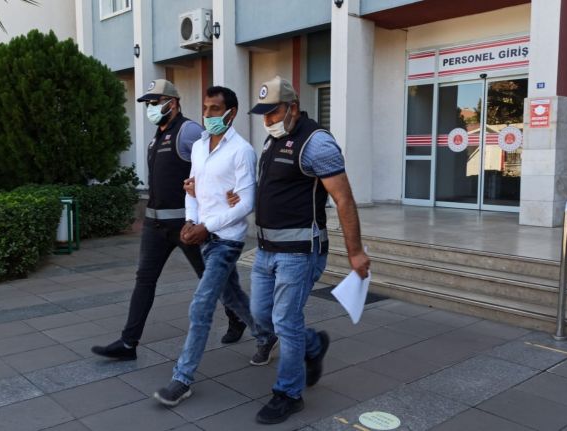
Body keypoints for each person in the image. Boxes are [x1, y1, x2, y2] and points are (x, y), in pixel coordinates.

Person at [90, 79, 246, 361]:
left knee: (211, 278)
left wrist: (232, 192)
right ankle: (128, 343)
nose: (150, 108)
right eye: (148, 103)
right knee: (144, 280)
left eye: (154, 102)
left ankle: (238, 319)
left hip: (187, 226)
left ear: (171, 103)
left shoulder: (189, 131)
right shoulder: (156, 137)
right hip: (155, 225)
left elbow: (216, 160)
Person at [248, 76, 371, 424]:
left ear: (292, 107)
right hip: (265, 250)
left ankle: (288, 393)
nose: (267, 120)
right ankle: (313, 346)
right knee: (261, 316)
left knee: (285, 321)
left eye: (273, 113)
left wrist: (355, 252)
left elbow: (344, 199)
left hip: (299, 252)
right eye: (263, 114)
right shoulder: (273, 140)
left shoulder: (317, 143)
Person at [154, 86, 277, 407]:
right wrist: (190, 220)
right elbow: (191, 188)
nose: (207, 114)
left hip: (227, 239)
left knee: (201, 305)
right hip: (204, 236)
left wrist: (205, 226)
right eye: (205, 108)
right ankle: (266, 336)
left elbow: (246, 202)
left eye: (214, 109)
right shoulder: (198, 147)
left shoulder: (242, 151)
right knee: (232, 296)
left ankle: (182, 378)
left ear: (230, 113)